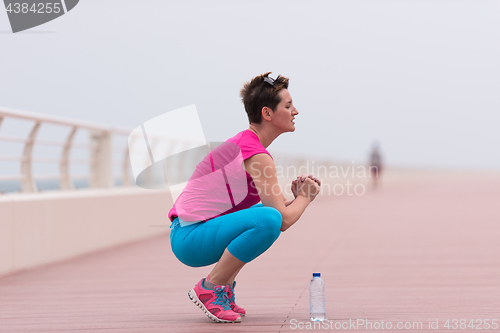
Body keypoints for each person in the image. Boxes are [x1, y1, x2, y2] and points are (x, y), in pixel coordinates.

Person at [168, 72, 321, 323]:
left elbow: (277, 210)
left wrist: (295, 199)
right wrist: (306, 198)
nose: (296, 111)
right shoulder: (256, 155)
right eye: (288, 105)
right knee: (268, 220)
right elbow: (280, 221)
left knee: (266, 215)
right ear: (267, 113)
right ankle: (211, 287)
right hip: (189, 237)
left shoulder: (248, 145)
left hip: (190, 233)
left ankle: (223, 288)